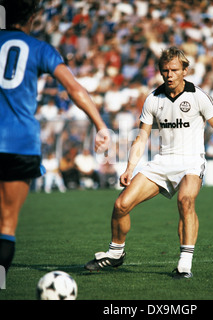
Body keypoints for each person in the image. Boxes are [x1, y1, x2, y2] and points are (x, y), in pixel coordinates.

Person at [85, 47, 213, 279]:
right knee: (121, 204)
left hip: (191, 162)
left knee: (185, 200)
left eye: (174, 70)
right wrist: (129, 168)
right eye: (165, 70)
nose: (169, 74)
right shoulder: (153, 99)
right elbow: (142, 138)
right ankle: (116, 253)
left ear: (185, 71)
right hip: (162, 162)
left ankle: (184, 264)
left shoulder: (198, 96)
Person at [0, 0, 109, 273]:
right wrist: (100, 125)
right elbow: (74, 88)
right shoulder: (39, 48)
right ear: (34, 17)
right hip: (20, 143)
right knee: (6, 225)